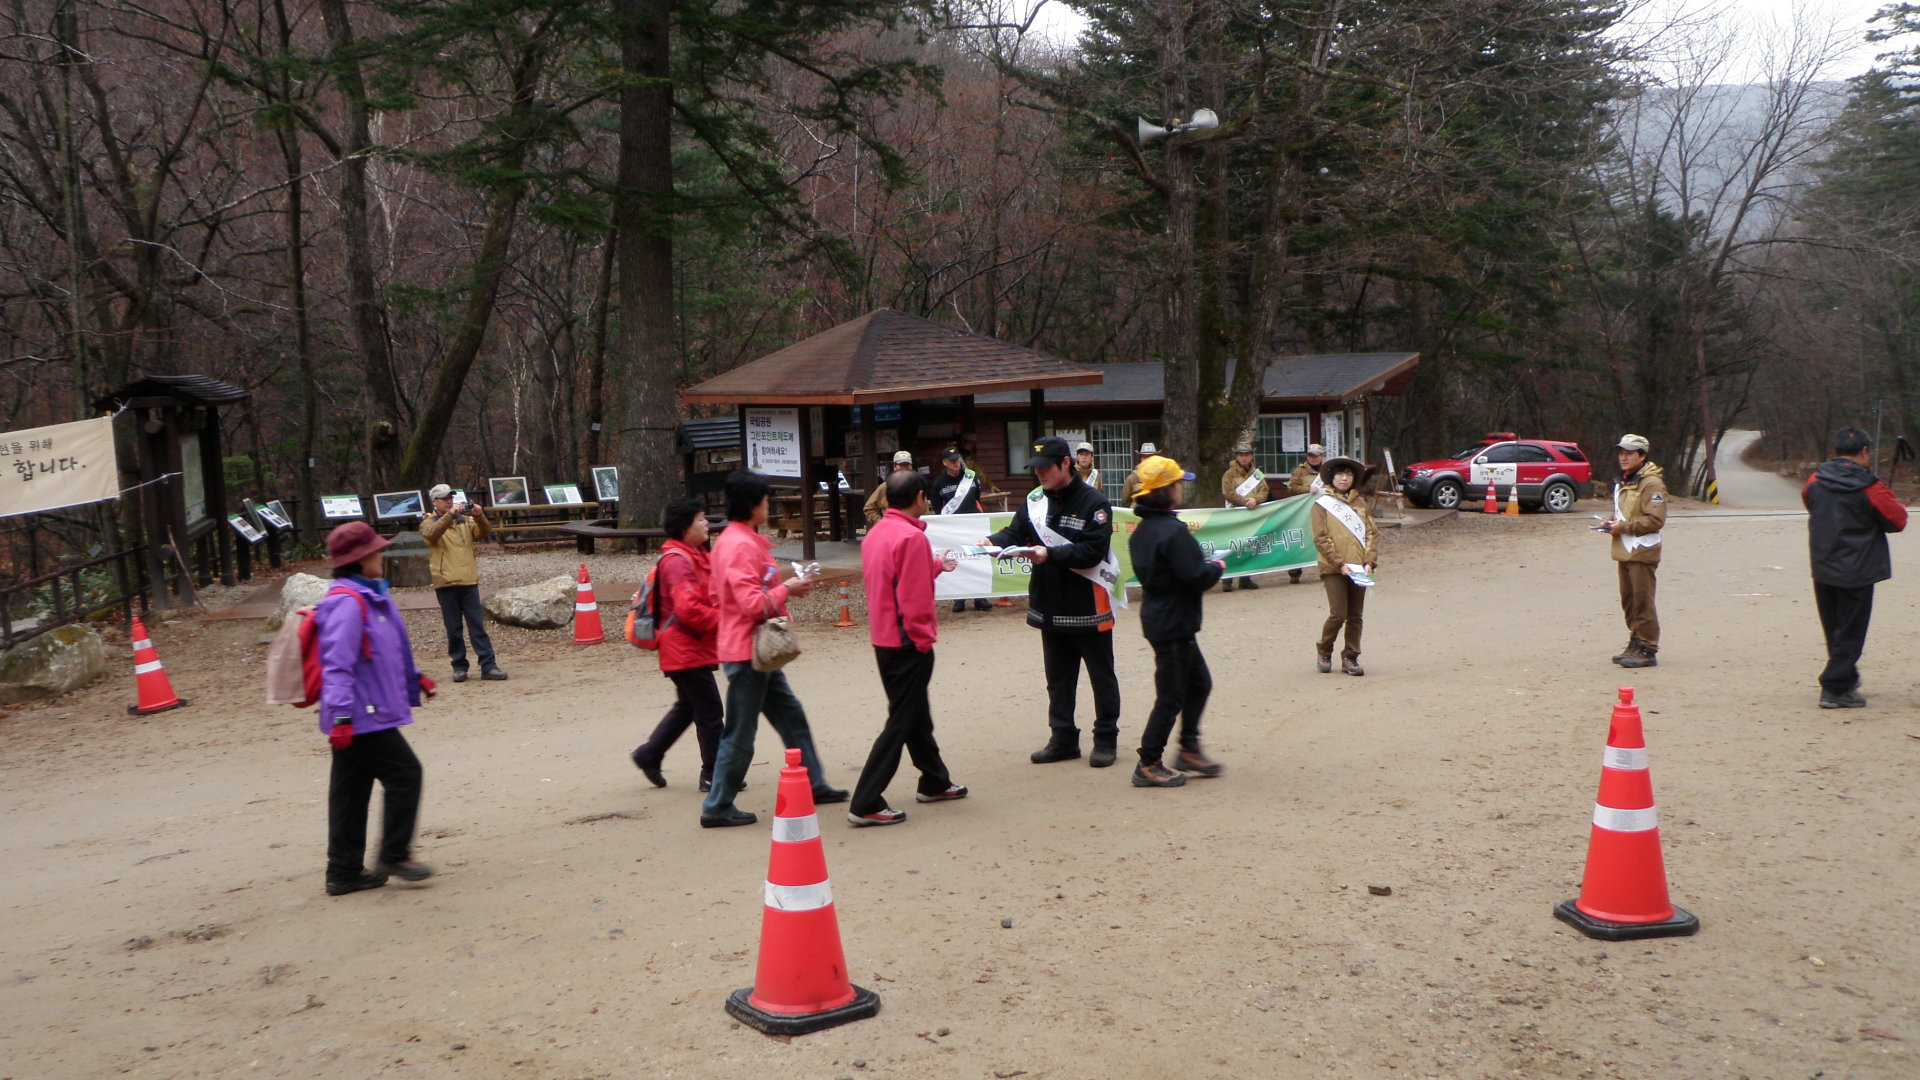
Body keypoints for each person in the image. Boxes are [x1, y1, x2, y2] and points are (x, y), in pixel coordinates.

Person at [701, 470, 848, 828]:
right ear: (753, 505)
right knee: (740, 732)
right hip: (748, 651)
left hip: (756, 649)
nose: (769, 506)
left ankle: (813, 782)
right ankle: (717, 805)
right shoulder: (738, 545)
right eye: (766, 500)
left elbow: (744, 594)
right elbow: (751, 603)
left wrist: (786, 588)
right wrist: (787, 589)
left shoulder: (741, 540)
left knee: (790, 715)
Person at [985, 435, 1124, 767]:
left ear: (1065, 463)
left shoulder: (1095, 503)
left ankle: (1106, 739)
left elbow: (1091, 552)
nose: (1039, 473)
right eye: (1035, 468)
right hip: (1049, 602)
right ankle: (1063, 738)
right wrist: (992, 541)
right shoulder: (1035, 499)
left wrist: (1050, 554)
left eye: (1046, 467)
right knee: (1058, 679)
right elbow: (1016, 532)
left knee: (1101, 676)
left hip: (1087, 604)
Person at [317, 521, 436, 896]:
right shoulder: (348, 602)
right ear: (359, 559)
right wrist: (341, 715)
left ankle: (344, 871)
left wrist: (414, 677)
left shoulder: (370, 596)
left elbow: (386, 651)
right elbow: (336, 664)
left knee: (350, 791)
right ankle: (395, 854)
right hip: (358, 715)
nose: (381, 555)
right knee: (406, 773)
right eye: (375, 551)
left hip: (361, 712)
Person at [848, 471, 968, 825]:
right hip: (906, 640)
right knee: (901, 719)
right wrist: (923, 639)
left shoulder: (877, 533)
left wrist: (935, 565)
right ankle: (866, 800)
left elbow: (896, 576)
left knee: (914, 713)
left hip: (884, 636)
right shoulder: (911, 538)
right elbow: (914, 599)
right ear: (919, 497)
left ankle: (935, 779)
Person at [1128, 455, 1227, 788]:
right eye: (1178, 483)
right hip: (1174, 623)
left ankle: (1188, 748)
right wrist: (1215, 567)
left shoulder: (1144, 529)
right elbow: (1195, 576)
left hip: (1164, 619)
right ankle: (1148, 762)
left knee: (1199, 683)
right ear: (1166, 490)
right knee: (1170, 696)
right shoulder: (1172, 530)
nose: (1182, 488)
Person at [1803, 426, 1907, 708]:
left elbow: (1811, 504)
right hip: (1857, 568)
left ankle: (1846, 679)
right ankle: (1834, 687)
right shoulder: (1870, 487)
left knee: (1835, 629)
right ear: (1864, 452)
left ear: (1835, 451)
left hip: (1824, 564)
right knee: (1851, 632)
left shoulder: (1814, 480)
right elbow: (1897, 520)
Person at [630, 497, 723, 790]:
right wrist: (726, 620)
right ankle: (713, 774)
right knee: (710, 712)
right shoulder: (678, 561)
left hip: (688, 647)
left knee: (688, 706)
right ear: (685, 527)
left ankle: (649, 754)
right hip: (684, 648)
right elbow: (688, 609)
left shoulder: (694, 555)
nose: (706, 523)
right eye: (701, 518)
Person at [420, 483, 506, 682]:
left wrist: (479, 515)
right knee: (454, 630)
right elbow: (431, 535)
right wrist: (450, 515)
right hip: (446, 583)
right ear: (434, 501)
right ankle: (459, 666)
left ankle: (488, 666)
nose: (449, 501)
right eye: (444, 498)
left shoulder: (465, 521)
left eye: (450, 497)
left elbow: (485, 532)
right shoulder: (428, 522)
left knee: (477, 627)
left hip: (468, 581)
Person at [1310, 456, 1379, 676]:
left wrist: (1369, 561)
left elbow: (1371, 533)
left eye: (1348, 474)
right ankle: (1324, 650)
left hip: (1359, 568)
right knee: (1338, 614)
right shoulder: (1322, 504)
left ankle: (1351, 656)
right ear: (1332, 478)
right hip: (1333, 568)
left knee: (1356, 615)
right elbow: (1321, 538)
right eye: (1340, 474)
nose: (1344, 478)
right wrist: (1339, 563)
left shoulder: (1360, 503)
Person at [1604, 434, 1666, 669]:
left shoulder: (1652, 484)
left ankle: (1647, 648)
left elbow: (1655, 520)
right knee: (1629, 600)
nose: (1623, 457)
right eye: (1621, 453)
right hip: (1625, 549)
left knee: (1642, 600)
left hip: (1642, 550)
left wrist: (1623, 527)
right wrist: (1611, 522)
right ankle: (1636, 640)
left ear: (1642, 456)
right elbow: (1624, 512)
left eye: (1629, 453)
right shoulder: (1625, 481)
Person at [931, 446, 993, 612]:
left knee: (978, 559)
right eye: (952, 461)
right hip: (953, 528)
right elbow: (937, 508)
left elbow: (977, 497)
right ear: (945, 463)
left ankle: (980, 597)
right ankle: (959, 599)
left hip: (974, 525)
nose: (956, 463)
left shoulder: (971, 476)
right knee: (957, 561)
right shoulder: (938, 483)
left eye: (957, 459)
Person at [1219, 438, 1269, 592]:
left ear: (1251, 456)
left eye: (1247, 454)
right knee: (1231, 547)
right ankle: (1227, 579)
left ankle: (1245, 578)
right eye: (1241, 455)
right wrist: (1245, 502)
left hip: (1252, 515)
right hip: (1234, 515)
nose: (1244, 457)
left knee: (1248, 547)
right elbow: (1228, 493)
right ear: (1236, 456)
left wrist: (1256, 500)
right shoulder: (1229, 474)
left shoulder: (1256, 474)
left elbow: (1264, 490)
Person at [1283, 443, 1328, 583]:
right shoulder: (1299, 471)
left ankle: (1327, 570)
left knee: (1325, 539)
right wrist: (1307, 489)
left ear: (1322, 456)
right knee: (1300, 540)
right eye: (1310, 455)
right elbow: (1291, 488)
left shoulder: (1328, 471)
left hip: (1323, 511)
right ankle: (1295, 572)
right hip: (1303, 512)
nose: (1313, 458)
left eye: (1316, 456)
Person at [865, 450, 916, 526]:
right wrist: (882, 523)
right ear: (895, 467)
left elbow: (924, 510)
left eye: (907, 465)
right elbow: (869, 508)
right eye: (901, 465)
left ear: (911, 466)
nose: (904, 468)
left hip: (912, 528)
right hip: (892, 529)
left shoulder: (917, 486)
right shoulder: (885, 487)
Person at [1119, 442, 1157, 507]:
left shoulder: (1163, 477)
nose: (1148, 460)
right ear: (1141, 458)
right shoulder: (1131, 479)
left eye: (1151, 457)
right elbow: (1125, 500)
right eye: (1145, 457)